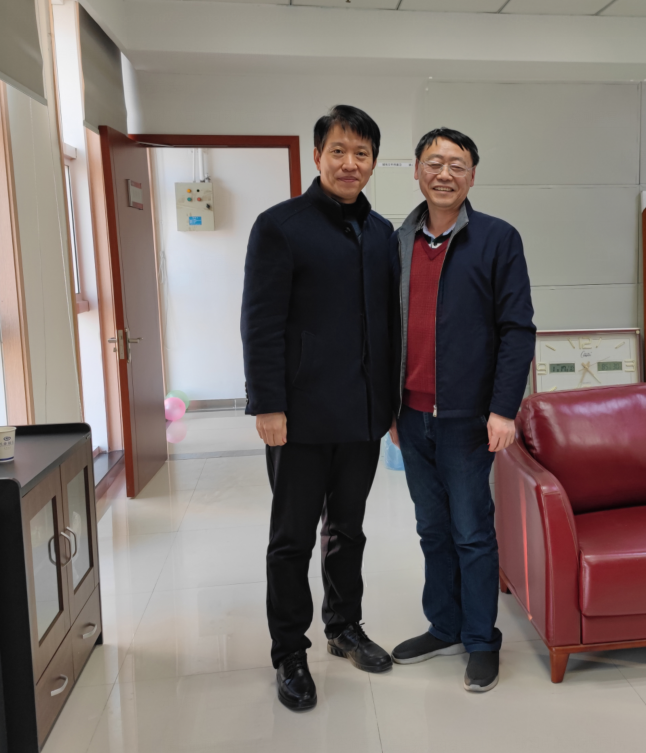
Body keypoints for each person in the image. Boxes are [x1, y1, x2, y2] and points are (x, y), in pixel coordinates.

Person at [240, 105, 397, 712]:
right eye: (338, 151)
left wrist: (388, 405)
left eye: (361, 153)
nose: (349, 163)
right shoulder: (280, 226)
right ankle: (289, 651)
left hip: (362, 414)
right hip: (299, 415)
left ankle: (344, 627)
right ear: (317, 156)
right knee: (291, 539)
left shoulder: (382, 233)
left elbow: (387, 326)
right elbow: (260, 322)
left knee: (348, 530)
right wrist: (268, 404)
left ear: (373, 162)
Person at [388, 127, 536, 692]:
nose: (444, 173)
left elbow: (517, 329)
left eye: (457, 164)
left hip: (469, 418)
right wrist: (388, 408)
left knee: (472, 531)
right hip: (411, 416)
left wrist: (503, 410)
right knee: (432, 529)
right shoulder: (398, 241)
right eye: (434, 162)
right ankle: (444, 626)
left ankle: (480, 639)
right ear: (417, 171)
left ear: (472, 176)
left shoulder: (497, 238)